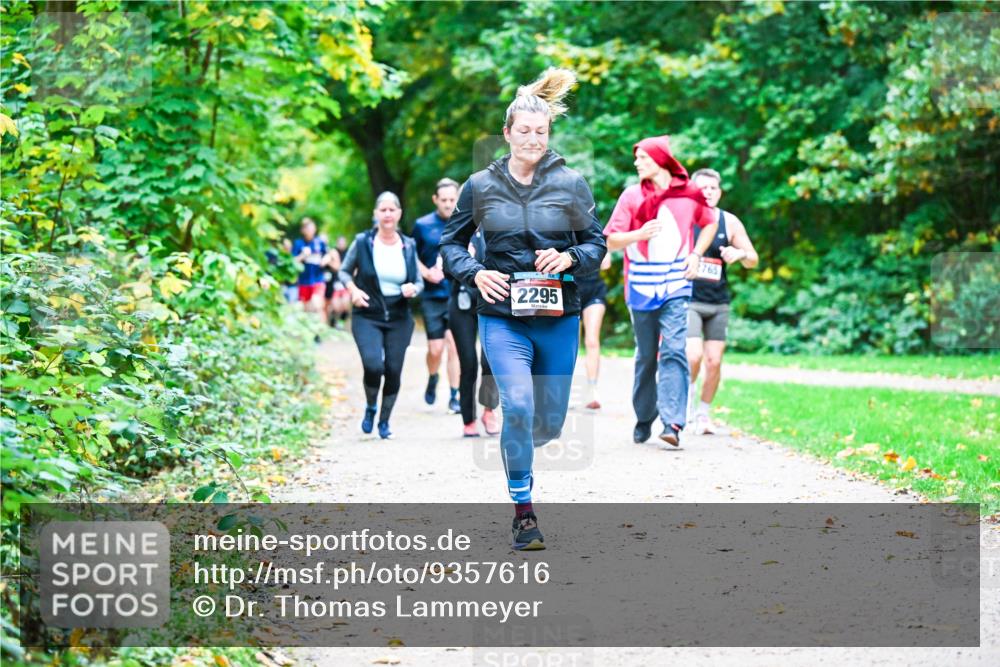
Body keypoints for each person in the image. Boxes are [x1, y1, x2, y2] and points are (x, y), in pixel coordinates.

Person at [441, 68, 607, 550]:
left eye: (541, 132)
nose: (532, 139)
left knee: (548, 423)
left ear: (548, 135)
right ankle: (524, 514)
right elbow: (450, 246)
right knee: (518, 406)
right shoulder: (479, 185)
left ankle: (520, 452)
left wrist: (569, 257)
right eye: (524, 131)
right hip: (502, 316)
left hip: (558, 318)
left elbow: (595, 244)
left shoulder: (572, 184)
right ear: (507, 134)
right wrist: (475, 273)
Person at [604, 136, 718, 448]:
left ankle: (673, 423)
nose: (636, 163)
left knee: (673, 349)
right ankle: (644, 417)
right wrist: (637, 234)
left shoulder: (688, 195)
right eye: (636, 158)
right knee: (646, 357)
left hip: (677, 285)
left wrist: (696, 254)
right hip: (640, 286)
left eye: (642, 157)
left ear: (660, 159)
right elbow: (611, 240)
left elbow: (709, 222)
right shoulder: (631, 195)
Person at [338, 192, 424, 440]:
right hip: (367, 313)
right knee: (374, 365)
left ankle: (384, 421)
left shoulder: (408, 245)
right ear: (376, 214)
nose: (387, 214)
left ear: (399, 214)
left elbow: (418, 280)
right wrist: (353, 290)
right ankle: (370, 407)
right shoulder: (363, 242)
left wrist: (414, 288)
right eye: (383, 210)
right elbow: (344, 272)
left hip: (399, 316)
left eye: (392, 210)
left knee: (394, 369)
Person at [685, 168, 759, 434]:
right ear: (693, 191)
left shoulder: (730, 222)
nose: (708, 192)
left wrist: (738, 254)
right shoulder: (685, 219)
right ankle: (685, 401)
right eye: (702, 188)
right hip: (688, 299)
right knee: (693, 356)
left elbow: (753, 259)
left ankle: (703, 414)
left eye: (713, 188)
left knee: (714, 361)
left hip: (718, 303)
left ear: (720, 191)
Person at [412, 179, 462, 413]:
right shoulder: (422, 225)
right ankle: (433, 377)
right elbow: (411, 256)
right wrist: (425, 273)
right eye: (444, 200)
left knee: (454, 345)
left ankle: (455, 395)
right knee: (435, 349)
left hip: (456, 293)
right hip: (432, 295)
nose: (448, 204)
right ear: (435, 200)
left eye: (452, 200)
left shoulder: (464, 223)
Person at [447, 228, 500, 437]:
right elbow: (444, 268)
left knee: (490, 361)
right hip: (461, 304)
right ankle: (468, 419)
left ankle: (489, 410)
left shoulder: (497, 230)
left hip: (493, 301)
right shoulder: (456, 233)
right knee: (467, 363)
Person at [576, 252, 613, 409]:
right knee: (570, 345)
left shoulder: (594, 232)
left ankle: (592, 390)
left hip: (593, 290)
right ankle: (569, 390)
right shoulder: (563, 230)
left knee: (592, 340)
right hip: (569, 289)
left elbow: (606, 264)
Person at [291, 218, 330, 315]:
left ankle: (322, 327)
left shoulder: (320, 242)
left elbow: (328, 254)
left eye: (312, 228)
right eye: (307, 228)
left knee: (317, 304)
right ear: (303, 230)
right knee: (307, 309)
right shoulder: (298, 243)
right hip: (304, 280)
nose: (310, 230)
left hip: (318, 279)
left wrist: (325, 260)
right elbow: (292, 261)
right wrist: (303, 256)